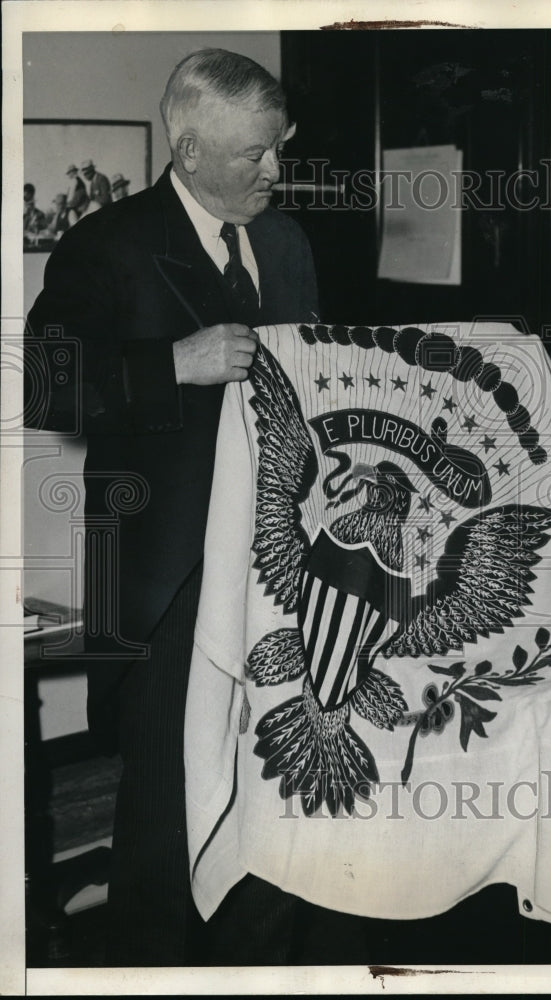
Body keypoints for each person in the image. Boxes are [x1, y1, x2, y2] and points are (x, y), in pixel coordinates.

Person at [25, 48, 318, 966]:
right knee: (163, 806)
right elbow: (47, 389)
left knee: (273, 779)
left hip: (282, 558)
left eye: (281, 150)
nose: (276, 172)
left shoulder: (288, 242)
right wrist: (172, 366)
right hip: (161, 571)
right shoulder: (105, 243)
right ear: (188, 151)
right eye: (255, 156)